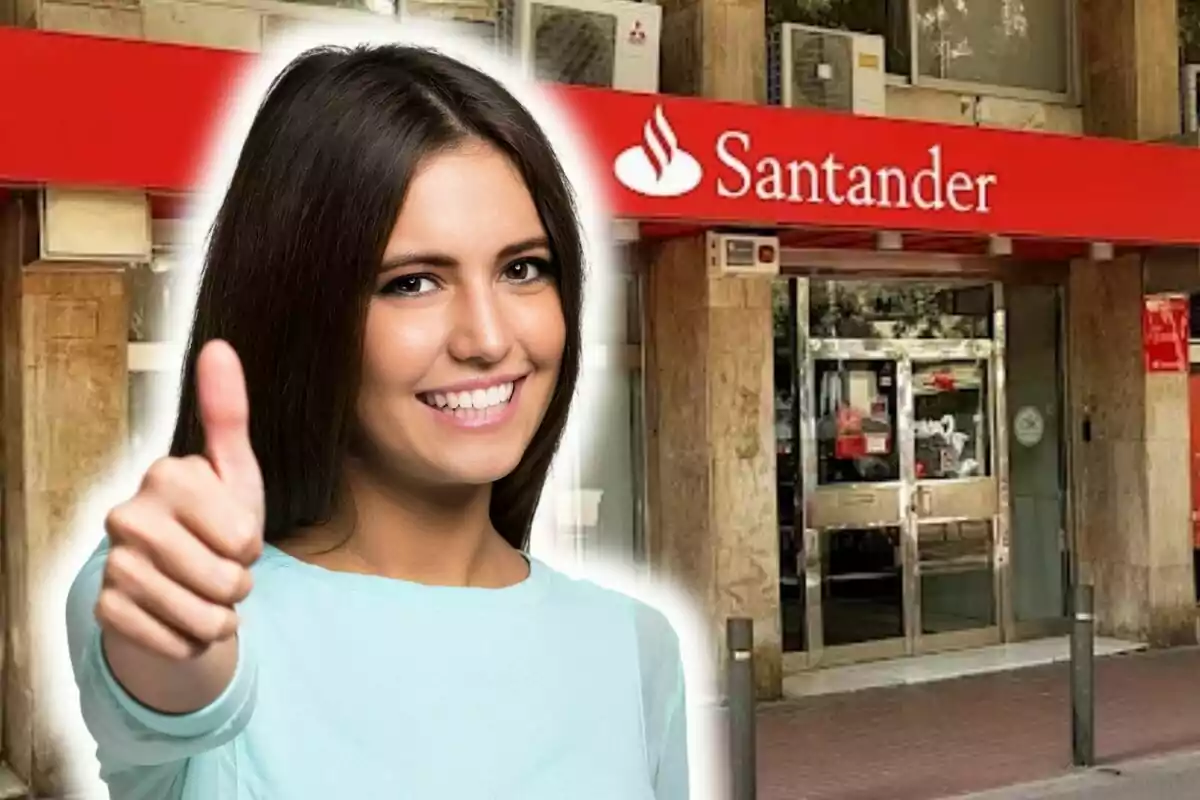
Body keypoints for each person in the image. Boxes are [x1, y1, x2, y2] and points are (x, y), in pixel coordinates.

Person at [64, 42, 689, 800]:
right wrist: (171, 636)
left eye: (523, 268)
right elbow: (167, 687)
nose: (489, 339)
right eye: (413, 282)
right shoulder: (199, 611)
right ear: (301, 311)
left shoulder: (630, 646)